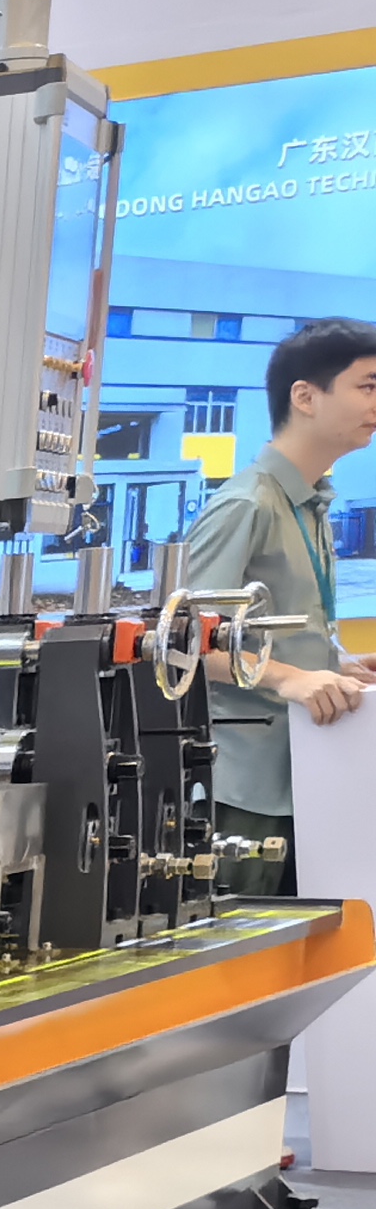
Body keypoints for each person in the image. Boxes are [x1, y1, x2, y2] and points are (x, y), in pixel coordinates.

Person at [180, 316, 376, 897]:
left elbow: (270, 628)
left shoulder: (310, 503)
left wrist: (334, 664)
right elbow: (185, 643)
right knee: (236, 944)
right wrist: (291, 677)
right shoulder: (247, 504)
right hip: (244, 790)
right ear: (306, 397)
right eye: (368, 386)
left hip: (305, 774)